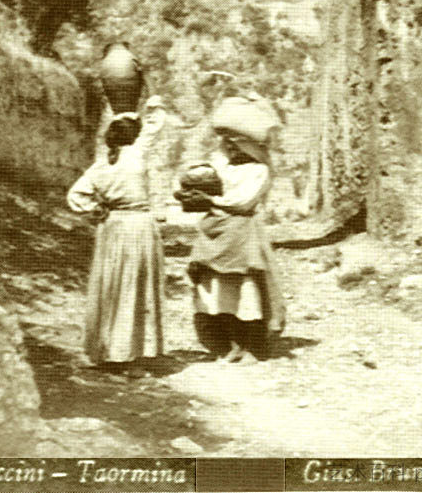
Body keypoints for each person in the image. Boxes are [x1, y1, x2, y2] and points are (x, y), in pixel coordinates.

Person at [181, 95, 286, 363]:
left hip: (241, 234)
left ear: (250, 146)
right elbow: (202, 180)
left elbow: (243, 201)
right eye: (228, 142)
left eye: (237, 143)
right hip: (214, 232)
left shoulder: (258, 170)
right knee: (216, 290)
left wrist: (212, 200)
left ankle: (251, 346)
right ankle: (227, 344)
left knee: (244, 290)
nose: (231, 147)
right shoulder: (222, 166)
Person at [67, 112, 164, 372]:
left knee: (111, 286)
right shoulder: (137, 153)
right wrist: (147, 107)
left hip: (111, 227)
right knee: (134, 288)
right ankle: (130, 358)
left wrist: (97, 209)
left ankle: (107, 350)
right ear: (134, 136)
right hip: (137, 226)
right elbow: (156, 124)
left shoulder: (102, 164)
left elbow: (75, 196)